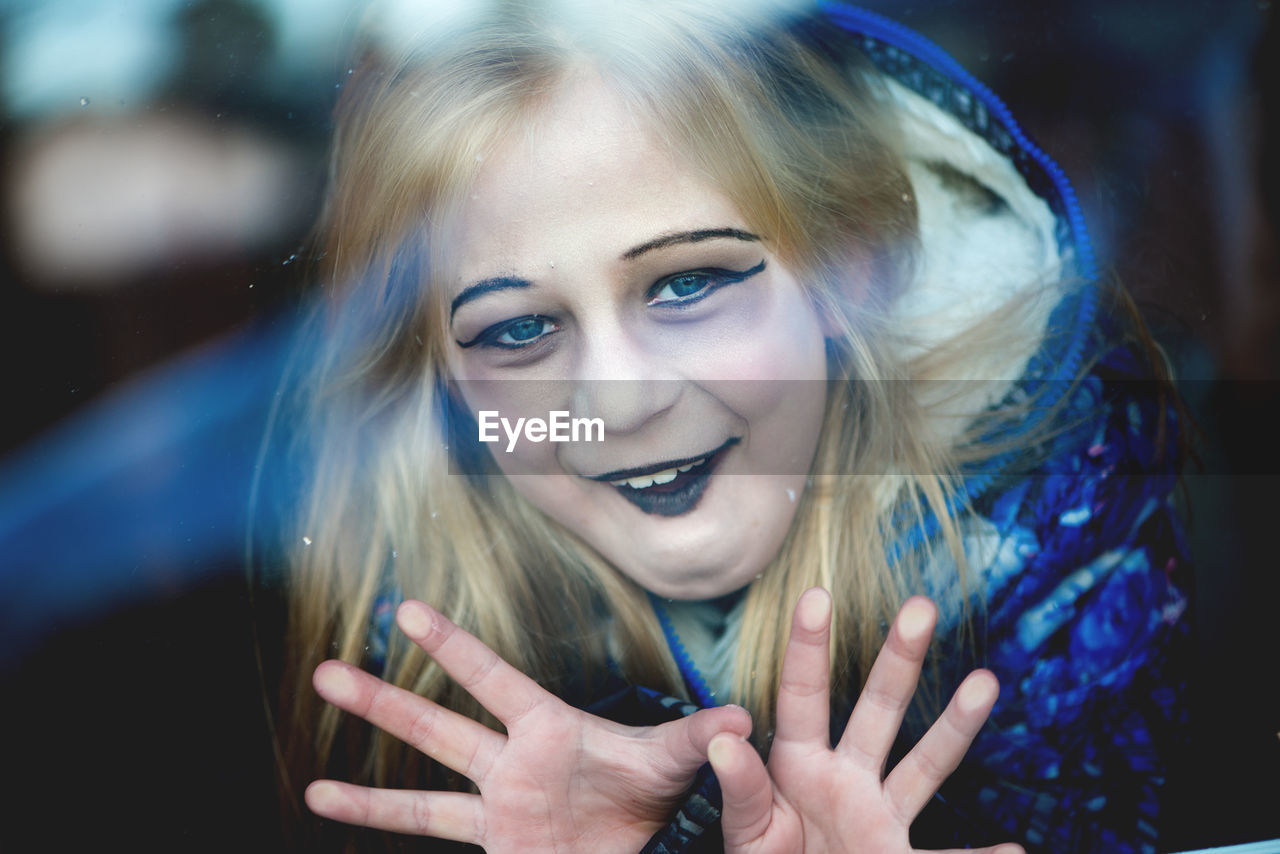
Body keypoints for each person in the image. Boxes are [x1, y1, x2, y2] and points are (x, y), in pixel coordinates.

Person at [266, 2, 1191, 852]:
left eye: (688, 283)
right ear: (447, 390)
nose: (621, 402)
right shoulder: (418, 667)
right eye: (519, 331)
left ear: (852, 270)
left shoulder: (1063, 578)